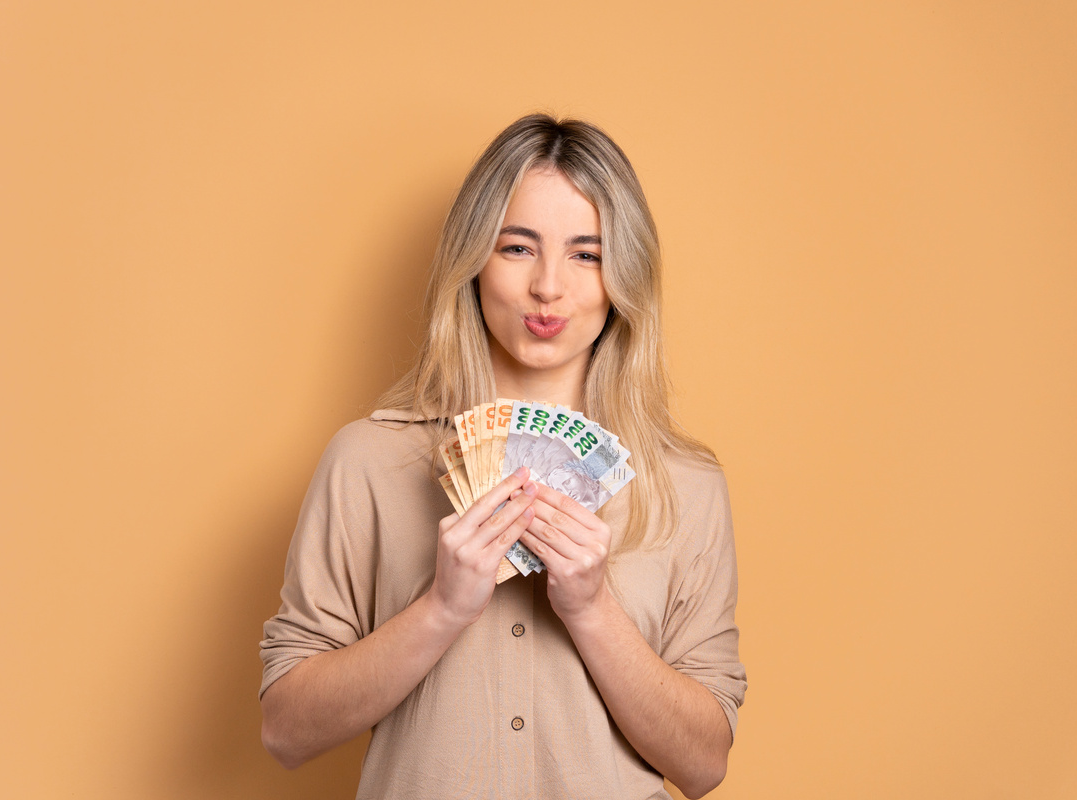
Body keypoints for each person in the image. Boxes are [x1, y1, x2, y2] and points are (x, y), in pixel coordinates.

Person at [259, 114, 746, 799]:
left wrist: (591, 608)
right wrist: (441, 609)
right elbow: (285, 730)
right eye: (517, 248)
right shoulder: (368, 460)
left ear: (624, 276)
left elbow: (704, 765)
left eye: (587, 253)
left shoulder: (686, 485)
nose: (549, 286)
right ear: (473, 259)